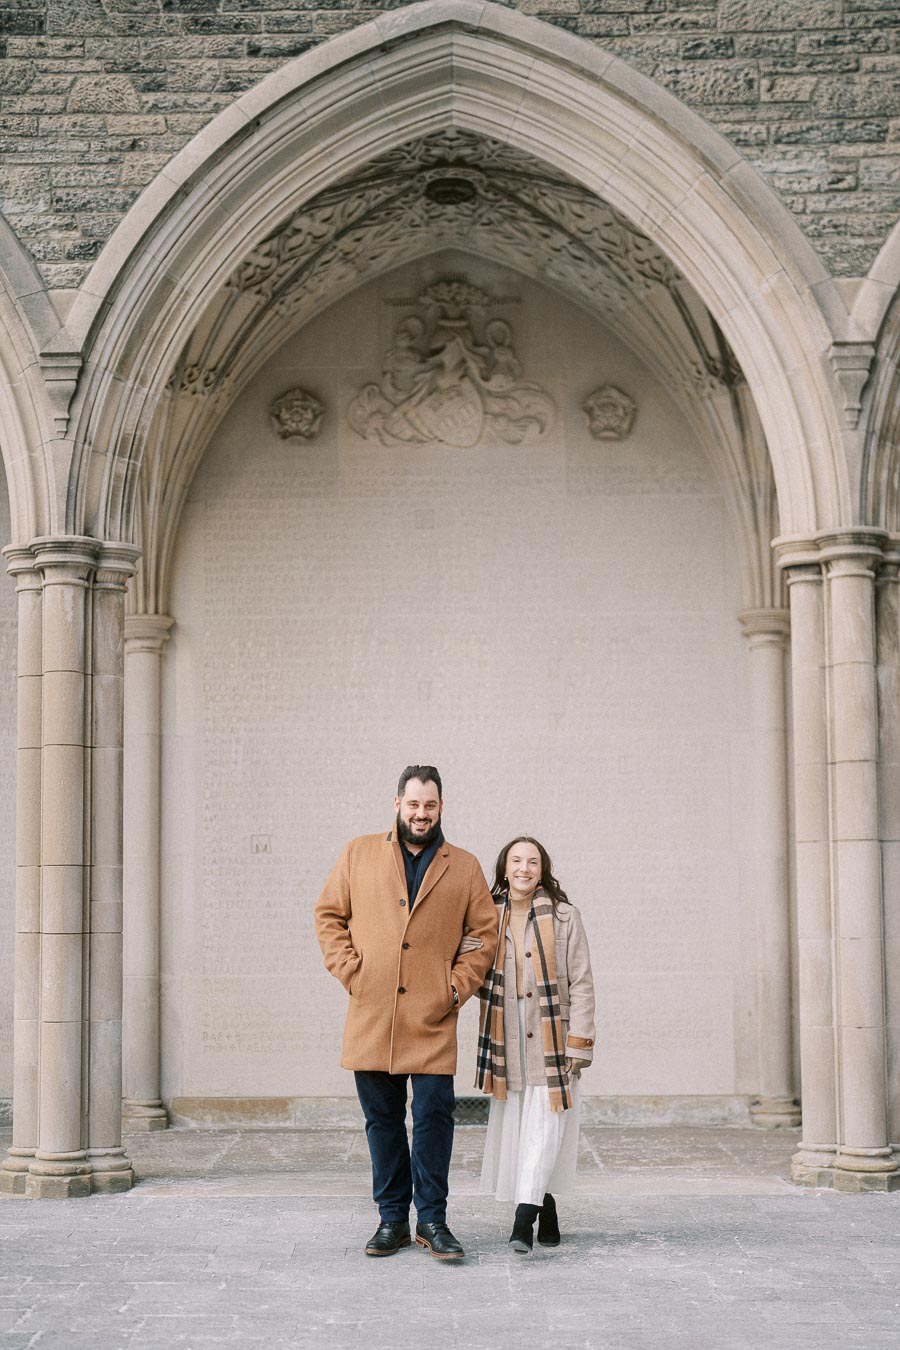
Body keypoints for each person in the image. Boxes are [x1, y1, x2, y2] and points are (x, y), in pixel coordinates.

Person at [315, 765, 497, 1261]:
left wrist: (455, 990)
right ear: (397, 803)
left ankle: (432, 1221)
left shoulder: (464, 866)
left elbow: (483, 936)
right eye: (413, 804)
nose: (421, 814)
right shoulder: (358, 853)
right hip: (372, 1013)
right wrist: (354, 973)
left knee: (435, 1117)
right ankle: (392, 1218)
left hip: (433, 1018)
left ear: (441, 808)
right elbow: (329, 916)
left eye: (430, 805)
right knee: (382, 1121)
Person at [476, 836, 596, 1252]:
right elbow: (474, 973)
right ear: (504, 868)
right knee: (520, 1131)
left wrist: (578, 1043)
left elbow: (581, 982)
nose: (524, 868)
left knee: (544, 1128)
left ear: (542, 870)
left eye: (532, 862)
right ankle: (545, 1204)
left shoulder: (565, 918)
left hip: (552, 1038)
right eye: (516, 861)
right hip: (507, 1036)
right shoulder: (486, 917)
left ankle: (522, 1219)